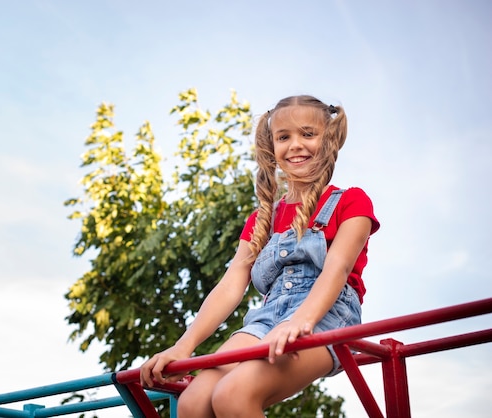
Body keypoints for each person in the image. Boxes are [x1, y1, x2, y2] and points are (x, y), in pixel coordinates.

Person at [140, 95, 380, 417]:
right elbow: (229, 287)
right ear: (272, 148)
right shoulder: (261, 221)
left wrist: (300, 321)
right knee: (192, 403)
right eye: (284, 137)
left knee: (233, 394)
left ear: (329, 141)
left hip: (327, 316)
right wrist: (184, 345)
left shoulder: (351, 202)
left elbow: (336, 270)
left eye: (307, 134)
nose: (295, 145)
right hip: (267, 318)